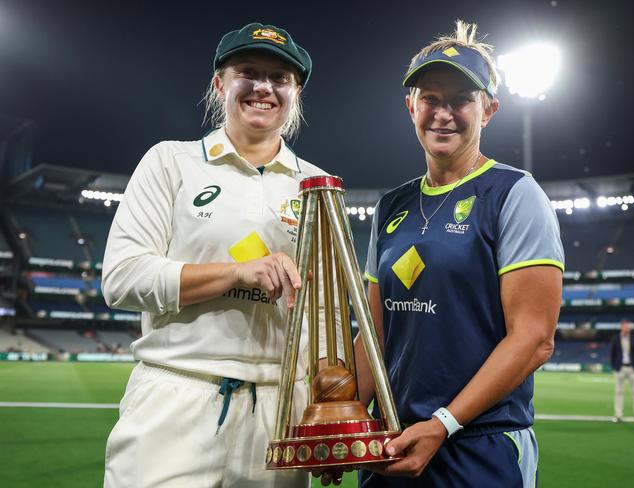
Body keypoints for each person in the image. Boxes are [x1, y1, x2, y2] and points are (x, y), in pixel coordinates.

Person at [102, 22, 327, 488]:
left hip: (278, 410)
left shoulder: (319, 186)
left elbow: (322, 314)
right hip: (176, 393)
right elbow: (122, 278)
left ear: (295, 92)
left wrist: (325, 408)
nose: (264, 87)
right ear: (220, 83)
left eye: (280, 78)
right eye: (249, 71)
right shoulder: (171, 161)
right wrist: (236, 272)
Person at [353, 20, 564, 487]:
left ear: (488, 110)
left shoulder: (514, 193)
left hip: (479, 445)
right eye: (430, 98)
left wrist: (443, 423)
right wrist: (340, 425)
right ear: (411, 106)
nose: (442, 114)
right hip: (395, 444)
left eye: (460, 100)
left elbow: (533, 338)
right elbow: (375, 337)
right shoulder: (392, 206)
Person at [611, 319, 634, 423]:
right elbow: (613, 354)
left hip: (632, 369)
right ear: (621, 327)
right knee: (618, 392)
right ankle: (618, 415)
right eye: (625, 327)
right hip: (620, 368)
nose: (627, 328)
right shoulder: (616, 339)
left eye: (628, 327)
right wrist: (615, 367)